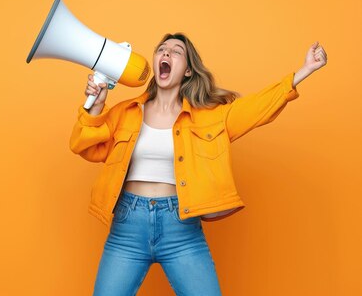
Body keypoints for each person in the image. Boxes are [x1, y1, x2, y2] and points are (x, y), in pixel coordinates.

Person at [69, 33, 327, 296]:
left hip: (180, 228)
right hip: (127, 226)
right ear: (156, 61)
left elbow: (258, 108)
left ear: (189, 70)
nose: (166, 54)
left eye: (176, 51)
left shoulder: (211, 118)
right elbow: (84, 146)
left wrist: (304, 71)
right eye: (162, 49)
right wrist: (96, 108)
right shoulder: (125, 112)